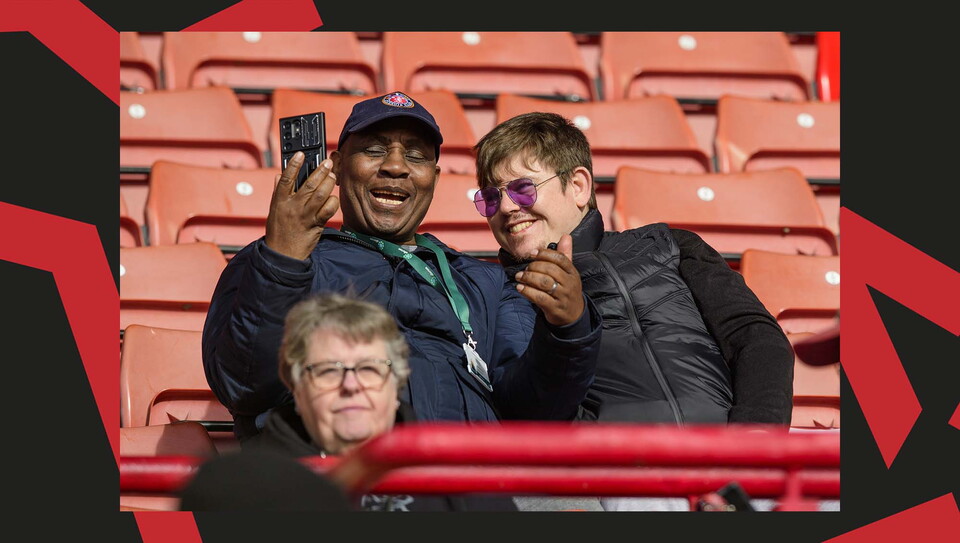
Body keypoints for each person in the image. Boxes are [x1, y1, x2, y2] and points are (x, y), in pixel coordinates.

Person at [202, 92, 602, 443]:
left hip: (471, 492)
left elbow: (532, 414)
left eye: (416, 156)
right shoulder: (274, 260)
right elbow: (244, 386)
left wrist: (567, 329)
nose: (396, 166)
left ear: (434, 177)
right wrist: (282, 261)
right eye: (374, 150)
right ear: (337, 166)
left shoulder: (484, 281)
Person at [473, 112, 794, 428]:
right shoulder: (495, 292)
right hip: (618, 474)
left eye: (522, 189)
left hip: (730, 467)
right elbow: (528, 406)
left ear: (578, 186)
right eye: (490, 198)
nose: (505, 208)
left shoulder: (669, 244)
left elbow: (755, 338)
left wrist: (752, 444)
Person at [238, 292, 517, 511]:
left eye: (369, 369)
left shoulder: (460, 483)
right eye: (328, 370)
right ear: (295, 385)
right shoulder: (235, 487)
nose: (351, 385)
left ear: (396, 384)